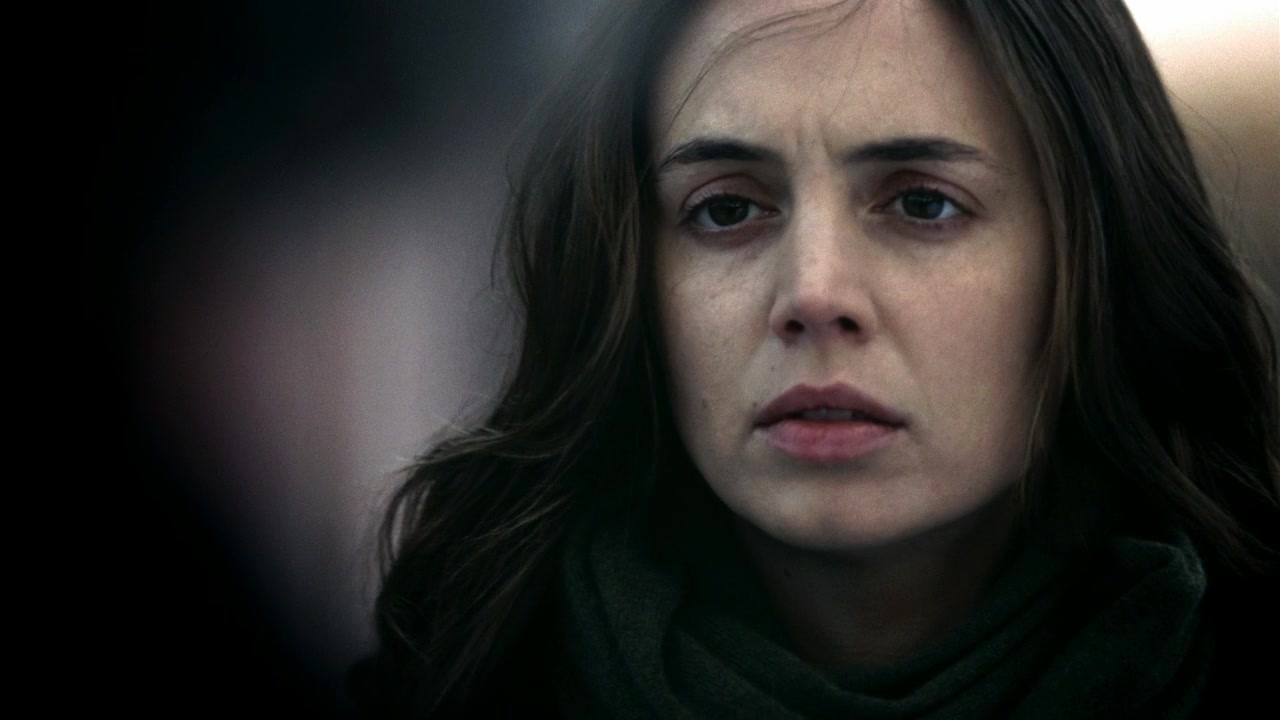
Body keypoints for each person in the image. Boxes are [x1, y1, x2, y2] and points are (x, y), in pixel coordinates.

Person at [352, 0, 1280, 717]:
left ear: (1095, 261)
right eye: (726, 209)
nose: (814, 293)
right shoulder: (446, 691)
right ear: (626, 278)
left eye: (922, 204)